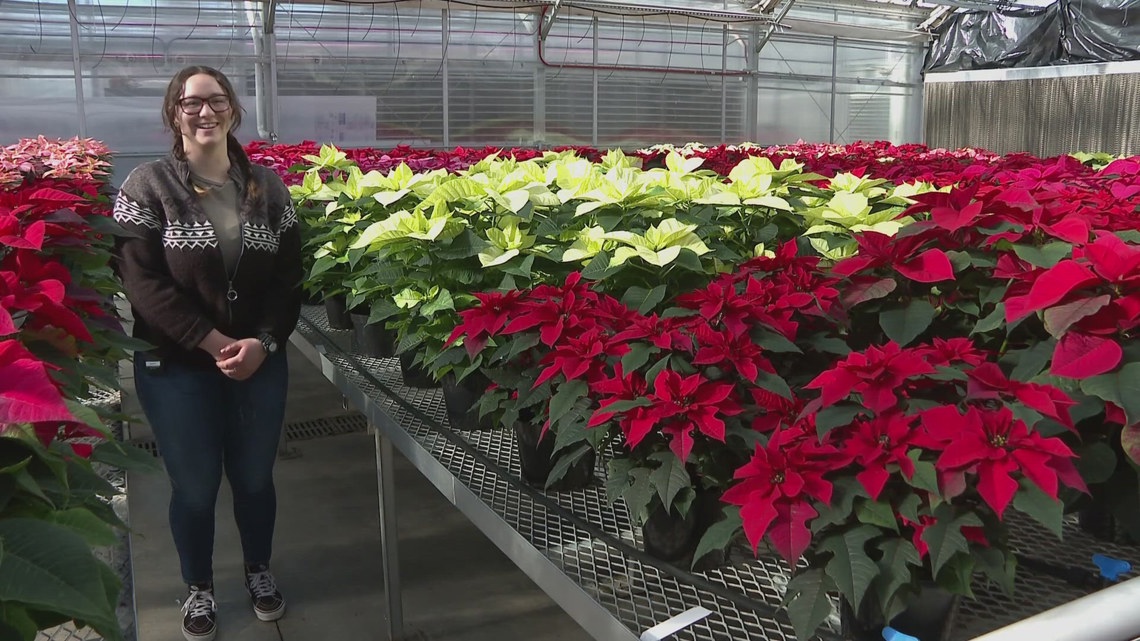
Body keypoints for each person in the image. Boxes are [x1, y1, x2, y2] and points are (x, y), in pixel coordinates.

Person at [112, 65, 302, 641]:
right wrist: (214, 342)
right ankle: (199, 586)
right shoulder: (146, 186)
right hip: (176, 367)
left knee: (253, 479)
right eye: (191, 102)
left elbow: (289, 280)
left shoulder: (267, 189)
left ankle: (258, 571)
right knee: (193, 485)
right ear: (174, 113)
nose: (205, 111)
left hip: (258, 363)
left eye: (216, 100)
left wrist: (263, 343)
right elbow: (140, 282)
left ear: (233, 110)